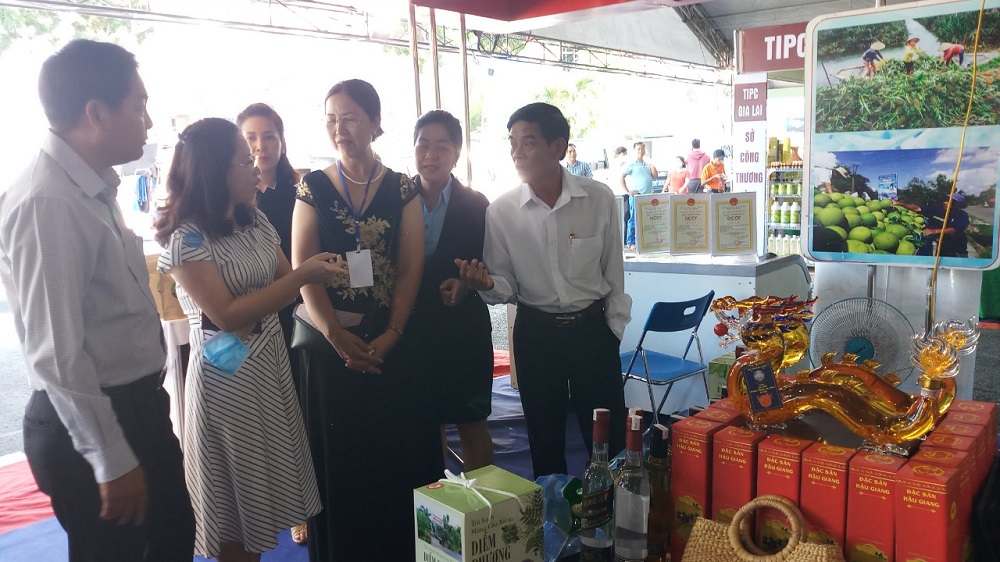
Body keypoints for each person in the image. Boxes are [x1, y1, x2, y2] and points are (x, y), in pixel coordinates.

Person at [0, 39, 195, 560]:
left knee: (172, 539)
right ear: (96, 114)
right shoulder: (47, 202)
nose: (148, 122)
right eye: (139, 105)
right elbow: (56, 354)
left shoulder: (90, 186)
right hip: (94, 421)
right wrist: (110, 459)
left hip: (135, 407)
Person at [155, 118, 345, 561]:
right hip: (227, 380)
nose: (256, 166)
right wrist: (303, 275)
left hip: (269, 368)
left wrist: (307, 275)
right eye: (245, 161)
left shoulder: (253, 219)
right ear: (215, 172)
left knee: (263, 497)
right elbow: (226, 314)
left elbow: (285, 282)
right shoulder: (186, 240)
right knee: (236, 514)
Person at [292, 79, 442, 562]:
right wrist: (335, 335)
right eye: (331, 119)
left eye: (351, 118)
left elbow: (411, 266)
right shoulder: (312, 187)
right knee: (340, 462)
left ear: (376, 124)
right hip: (330, 349)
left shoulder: (402, 187)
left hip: (390, 345)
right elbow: (303, 268)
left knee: (392, 456)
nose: (340, 128)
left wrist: (393, 333)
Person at [457, 102, 630, 478]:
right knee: (543, 437)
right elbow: (505, 285)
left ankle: (615, 507)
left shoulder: (597, 199)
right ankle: (553, 510)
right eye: (512, 142)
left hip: (592, 332)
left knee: (607, 436)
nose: (517, 152)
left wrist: (613, 331)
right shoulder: (502, 211)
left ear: (558, 147)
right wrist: (486, 284)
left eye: (528, 142)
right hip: (536, 335)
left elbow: (614, 274)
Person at [235, 102, 309, 546]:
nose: (260, 146)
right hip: (247, 320)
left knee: (296, 408)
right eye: (250, 138)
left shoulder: (301, 191)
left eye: (268, 136)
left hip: (296, 312)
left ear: (282, 141)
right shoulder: (231, 199)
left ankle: (300, 507)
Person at [403, 109, 494, 471]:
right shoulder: (395, 201)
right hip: (410, 332)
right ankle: (434, 503)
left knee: (472, 424)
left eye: (442, 146)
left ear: (457, 152)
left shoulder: (477, 205)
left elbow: (491, 267)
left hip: (463, 333)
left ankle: (482, 503)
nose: (431, 154)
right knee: (424, 428)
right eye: (422, 144)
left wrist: (467, 285)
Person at [892, 192, 970, 257]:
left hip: (956, 250)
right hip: (941, 248)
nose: (946, 202)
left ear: (958, 205)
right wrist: (899, 203)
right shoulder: (937, 210)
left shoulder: (962, 215)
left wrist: (935, 231)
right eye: (945, 200)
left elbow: (954, 230)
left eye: (951, 201)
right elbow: (917, 208)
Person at [620, 141, 659, 250]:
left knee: (646, 219)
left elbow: (655, 175)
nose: (640, 151)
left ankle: (644, 240)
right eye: (638, 149)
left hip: (647, 196)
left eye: (642, 149)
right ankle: (630, 242)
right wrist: (627, 191)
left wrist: (651, 163)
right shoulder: (631, 164)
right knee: (633, 219)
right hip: (636, 196)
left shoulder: (647, 164)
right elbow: (621, 177)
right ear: (634, 150)